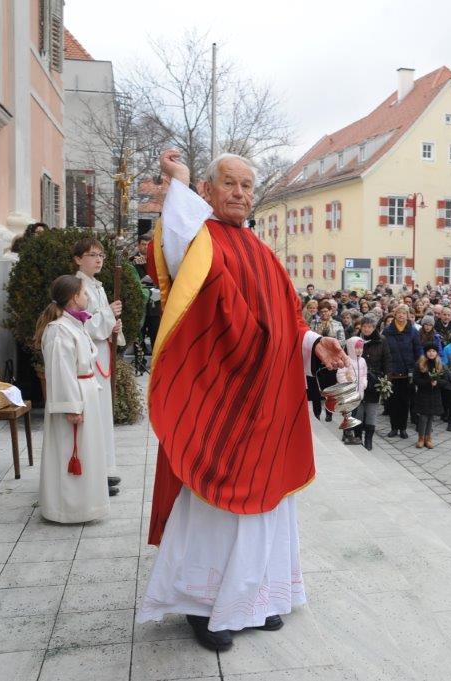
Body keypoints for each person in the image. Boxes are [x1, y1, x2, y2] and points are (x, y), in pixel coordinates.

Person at [137, 150, 346, 651]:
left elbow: (286, 320)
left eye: (247, 186)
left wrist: (313, 342)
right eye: (229, 183)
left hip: (267, 403)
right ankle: (202, 606)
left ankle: (255, 599)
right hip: (221, 403)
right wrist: (179, 181)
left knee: (265, 505)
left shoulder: (262, 252)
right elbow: (174, 245)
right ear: (207, 191)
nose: (240, 193)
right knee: (215, 508)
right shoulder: (200, 241)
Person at [35, 275, 109, 524]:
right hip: (75, 396)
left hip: (85, 392)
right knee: (70, 450)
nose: (87, 297)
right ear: (74, 297)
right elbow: (61, 371)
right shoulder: (59, 330)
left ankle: (88, 504)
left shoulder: (75, 325)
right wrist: (72, 406)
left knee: (88, 451)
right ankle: (67, 509)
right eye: (85, 293)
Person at [73, 237, 125, 496]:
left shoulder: (98, 286)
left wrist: (114, 324)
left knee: (103, 413)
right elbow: (82, 323)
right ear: (78, 259)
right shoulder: (77, 287)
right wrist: (108, 315)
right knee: (94, 414)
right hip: (90, 356)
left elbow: (102, 321)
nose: (98, 260)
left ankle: (104, 468)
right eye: (92, 255)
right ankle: (93, 472)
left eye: (101, 255)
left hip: (102, 353)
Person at [383, 304, 422, 439]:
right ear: (395, 315)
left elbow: (418, 351)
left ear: (407, 316)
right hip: (392, 372)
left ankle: (403, 428)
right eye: (399, 313)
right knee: (393, 402)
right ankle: (394, 428)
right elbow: (384, 351)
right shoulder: (387, 331)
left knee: (405, 402)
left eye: (404, 313)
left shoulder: (413, 331)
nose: (401, 315)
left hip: (407, 372)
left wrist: (417, 367)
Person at [355, 314, 390, 451]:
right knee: (358, 410)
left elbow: (387, 360)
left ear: (374, 327)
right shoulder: (356, 339)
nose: (367, 329)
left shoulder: (382, 340)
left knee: (371, 410)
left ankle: (368, 439)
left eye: (370, 326)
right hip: (358, 379)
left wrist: (386, 380)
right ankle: (357, 435)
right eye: (364, 326)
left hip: (375, 379)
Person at [337, 337, 368, 445]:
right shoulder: (347, 360)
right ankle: (348, 436)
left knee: (353, 414)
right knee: (349, 414)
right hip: (349, 393)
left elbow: (364, 374)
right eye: (356, 348)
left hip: (359, 393)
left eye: (361, 348)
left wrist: (364, 383)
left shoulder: (362, 361)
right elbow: (340, 375)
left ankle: (347, 434)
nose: (359, 350)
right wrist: (348, 383)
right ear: (351, 348)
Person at [413, 344, 445, 448]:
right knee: (423, 417)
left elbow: (445, 381)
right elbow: (416, 380)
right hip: (423, 394)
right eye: (429, 351)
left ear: (437, 353)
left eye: (433, 351)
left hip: (435, 394)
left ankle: (428, 438)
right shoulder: (420, 364)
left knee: (431, 417)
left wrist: (437, 382)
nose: (431, 353)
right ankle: (421, 438)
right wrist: (428, 382)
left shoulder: (440, 364)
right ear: (426, 352)